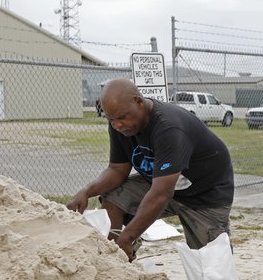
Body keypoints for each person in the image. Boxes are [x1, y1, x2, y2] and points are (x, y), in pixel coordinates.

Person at [67, 79, 234, 261]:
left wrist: (129, 235)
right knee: (113, 195)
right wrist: (86, 191)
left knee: (212, 264)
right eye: (111, 119)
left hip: (205, 196)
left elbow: (161, 194)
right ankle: (116, 258)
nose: (117, 125)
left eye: (122, 117)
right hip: (163, 185)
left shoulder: (169, 127)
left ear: (139, 102)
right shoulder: (119, 122)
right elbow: (117, 170)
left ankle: (126, 242)